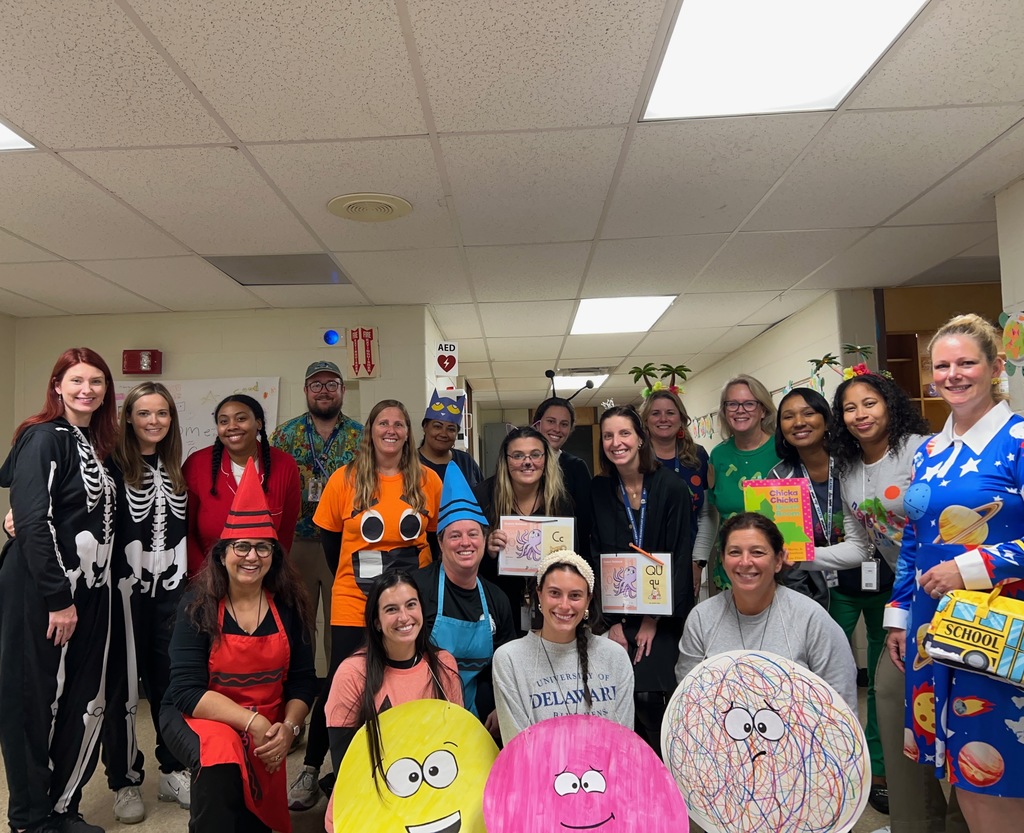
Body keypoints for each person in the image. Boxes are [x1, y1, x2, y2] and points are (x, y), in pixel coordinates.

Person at [886, 313, 1024, 829]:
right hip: (931, 629)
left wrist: (971, 567)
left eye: (967, 362)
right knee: (961, 776)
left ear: (995, 367)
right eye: (941, 365)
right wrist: (898, 617)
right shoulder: (928, 451)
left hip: (997, 632)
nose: (953, 374)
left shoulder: (1017, 440)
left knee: (999, 773)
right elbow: (913, 540)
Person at [829, 370, 965, 833]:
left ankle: (965, 821)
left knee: (963, 712)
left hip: (959, 593)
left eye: (869, 403)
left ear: (889, 404)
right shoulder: (846, 467)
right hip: (907, 596)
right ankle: (915, 822)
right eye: (849, 408)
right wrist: (803, 556)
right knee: (890, 697)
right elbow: (861, 545)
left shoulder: (922, 450)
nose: (860, 415)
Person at [290, 399, 442, 809]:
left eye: (398, 423)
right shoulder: (345, 479)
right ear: (370, 430)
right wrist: (359, 575)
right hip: (355, 598)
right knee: (342, 682)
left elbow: (433, 537)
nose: (391, 429)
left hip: (411, 604)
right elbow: (329, 539)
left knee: (410, 680)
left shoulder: (427, 481)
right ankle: (311, 767)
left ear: (408, 432)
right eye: (383, 423)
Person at [160, 459, 317, 833]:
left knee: (262, 821)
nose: (252, 556)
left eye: (263, 548)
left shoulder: (289, 604)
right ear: (223, 554)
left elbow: (303, 681)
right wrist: (254, 722)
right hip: (200, 716)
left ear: (274, 556)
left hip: (266, 720)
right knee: (222, 757)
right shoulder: (198, 604)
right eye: (242, 547)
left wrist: (289, 728)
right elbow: (185, 691)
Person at [0, 348, 118, 833]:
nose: (86, 389)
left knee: (81, 699)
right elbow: (30, 516)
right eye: (76, 380)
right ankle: (30, 817)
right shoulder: (43, 437)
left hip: (90, 588)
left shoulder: (95, 442)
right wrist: (57, 597)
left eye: (96, 381)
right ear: (57, 386)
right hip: (44, 590)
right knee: (31, 699)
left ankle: (62, 806)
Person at [102, 382, 190, 823]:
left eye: (162, 413)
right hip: (123, 593)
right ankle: (124, 779)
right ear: (129, 418)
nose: (153, 421)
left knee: (170, 684)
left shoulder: (179, 468)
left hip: (171, 596)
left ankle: (173, 768)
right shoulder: (112, 465)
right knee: (122, 687)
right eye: (144, 413)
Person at [269, 361, 362, 761]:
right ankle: (296, 722)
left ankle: (343, 718)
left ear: (342, 390)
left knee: (340, 635)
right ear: (306, 391)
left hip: (343, 542)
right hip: (298, 543)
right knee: (298, 631)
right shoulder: (285, 435)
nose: (324, 391)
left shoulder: (360, 436)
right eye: (316, 385)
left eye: (332, 384)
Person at [323, 571, 462, 833]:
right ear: (376, 621)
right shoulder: (352, 673)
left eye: (411, 604)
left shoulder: (444, 666)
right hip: (369, 803)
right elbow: (346, 765)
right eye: (391, 609)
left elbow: (456, 746)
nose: (404, 617)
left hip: (433, 801)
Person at [590, 405, 693, 753]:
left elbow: (680, 555)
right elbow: (594, 556)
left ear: (640, 437)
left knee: (651, 697)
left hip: (662, 616)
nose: (616, 442)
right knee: (619, 699)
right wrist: (612, 623)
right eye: (608, 435)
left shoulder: (671, 488)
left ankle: (663, 769)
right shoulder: (599, 490)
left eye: (624, 433)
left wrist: (653, 618)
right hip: (614, 616)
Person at [676, 513, 857, 709]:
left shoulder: (810, 619)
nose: (745, 562)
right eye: (735, 552)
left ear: (778, 560)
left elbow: (841, 704)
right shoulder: (702, 618)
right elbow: (688, 700)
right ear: (723, 560)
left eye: (757, 552)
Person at [412, 462, 517, 734]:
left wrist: (498, 705)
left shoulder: (497, 599)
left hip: (473, 716)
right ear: (441, 543)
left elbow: (505, 665)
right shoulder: (417, 590)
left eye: (473, 534)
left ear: (484, 540)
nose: (465, 542)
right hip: (417, 710)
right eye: (455, 536)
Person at [492, 551, 634, 744]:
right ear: (539, 594)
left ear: (588, 601)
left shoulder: (614, 656)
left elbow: (624, 743)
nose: (564, 605)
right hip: (537, 774)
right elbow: (518, 749)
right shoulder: (509, 659)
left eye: (575, 595)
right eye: (555, 593)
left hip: (605, 774)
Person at [183, 394, 300, 578]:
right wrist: (205, 577)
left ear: (258, 423)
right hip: (207, 580)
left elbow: (285, 534)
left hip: (262, 580)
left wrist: (271, 578)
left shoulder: (285, 465)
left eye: (241, 418)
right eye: (223, 421)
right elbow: (185, 532)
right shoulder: (197, 465)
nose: (232, 426)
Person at [476, 426, 574, 636]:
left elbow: (576, 560)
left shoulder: (560, 501)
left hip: (548, 603)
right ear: (506, 460)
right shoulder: (483, 496)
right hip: (496, 602)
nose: (527, 462)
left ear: (546, 459)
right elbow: (464, 559)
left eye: (535, 454)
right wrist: (487, 549)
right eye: (518, 455)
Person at [704, 375, 780, 591]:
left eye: (749, 403)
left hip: (775, 567)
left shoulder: (783, 450)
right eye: (732, 404)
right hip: (731, 567)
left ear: (763, 410)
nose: (740, 410)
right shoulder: (718, 456)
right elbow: (713, 512)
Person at [640, 388, 715, 599]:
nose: (663, 419)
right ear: (645, 420)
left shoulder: (698, 456)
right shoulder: (635, 459)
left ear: (681, 418)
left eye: (670, 413)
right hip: (644, 560)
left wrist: (697, 562)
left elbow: (707, 514)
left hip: (687, 560)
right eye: (655, 413)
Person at [533, 396, 594, 557]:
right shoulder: (521, 464)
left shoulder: (577, 467)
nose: (557, 429)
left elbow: (585, 522)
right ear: (538, 424)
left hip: (566, 559)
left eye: (564, 424)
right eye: (551, 421)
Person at [417, 389, 482, 486]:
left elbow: (483, 495)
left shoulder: (465, 461)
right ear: (425, 427)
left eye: (451, 429)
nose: (443, 434)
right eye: (437, 426)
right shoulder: (409, 461)